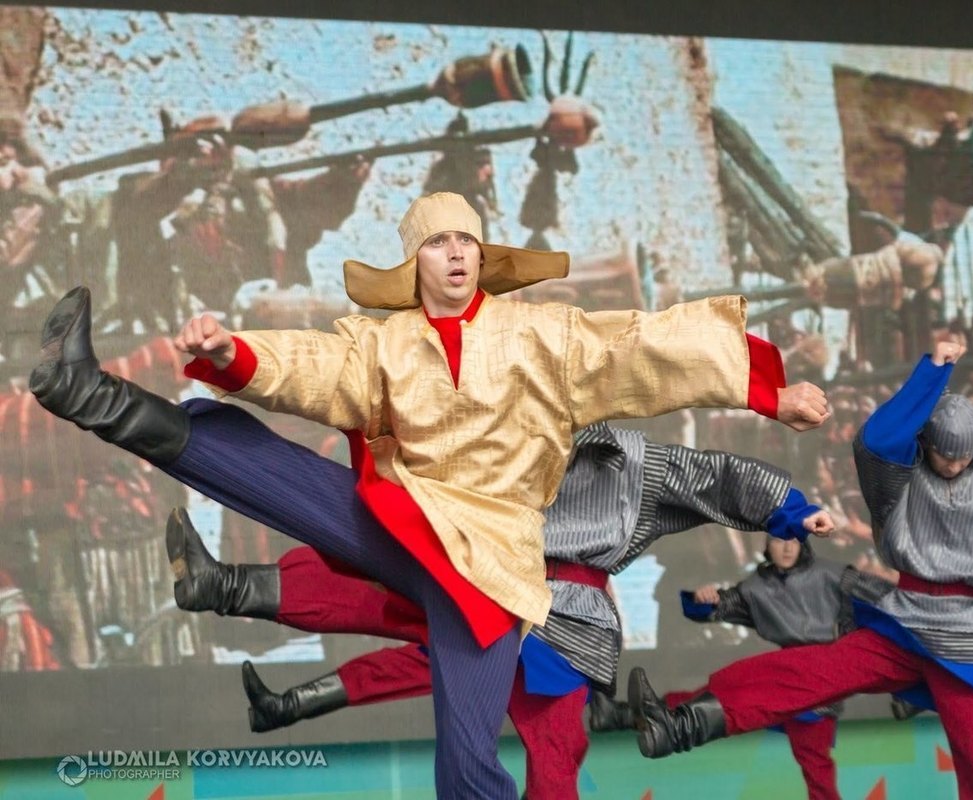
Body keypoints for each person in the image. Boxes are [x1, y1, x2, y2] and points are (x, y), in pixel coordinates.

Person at [30, 191, 829, 799]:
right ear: (415, 260)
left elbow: (648, 349)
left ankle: (234, 586)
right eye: (439, 242)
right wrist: (230, 351)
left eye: (466, 241)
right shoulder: (382, 344)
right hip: (404, 522)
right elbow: (312, 369)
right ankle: (87, 392)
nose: (455, 253)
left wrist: (771, 394)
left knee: (468, 764)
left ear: (482, 257)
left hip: (488, 570)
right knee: (257, 462)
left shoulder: (545, 338)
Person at [167, 422, 833, 799]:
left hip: (561, 616)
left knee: (554, 750)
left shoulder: (635, 460)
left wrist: (789, 509)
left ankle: (232, 594)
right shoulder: (501, 429)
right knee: (381, 584)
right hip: (480, 583)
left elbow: (715, 475)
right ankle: (226, 586)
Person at [626, 341, 973, 800]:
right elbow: (879, 439)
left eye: (962, 455)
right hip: (906, 621)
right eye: (943, 453)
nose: (951, 464)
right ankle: (686, 724)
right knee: (806, 671)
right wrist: (932, 373)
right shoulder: (903, 475)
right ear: (927, 441)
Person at [591, 534, 893, 800]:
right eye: (778, 540)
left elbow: (891, 600)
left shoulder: (834, 575)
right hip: (784, 673)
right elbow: (720, 606)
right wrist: (705, 600)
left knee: (815, 766)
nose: (787, 547)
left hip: (820, 681)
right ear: (766, 544)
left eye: (793, 540)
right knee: (715, 701)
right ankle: (623, 715)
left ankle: (625, 716)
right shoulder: (756, 587)